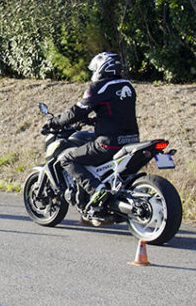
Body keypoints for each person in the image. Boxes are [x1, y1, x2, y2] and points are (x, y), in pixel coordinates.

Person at [42, 52, 139, 213]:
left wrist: (54, 122)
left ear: (103, 68)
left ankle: (96, 189)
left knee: (66, 158)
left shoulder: (99, 87)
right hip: (131, 141)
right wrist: (94, 121)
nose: (94, 73)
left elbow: (76, 111)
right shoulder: (128, 85)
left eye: (95, 69)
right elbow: (116, 113)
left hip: (109, 144)